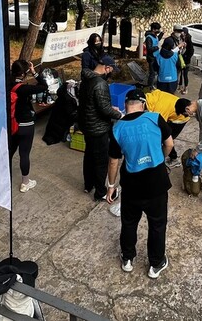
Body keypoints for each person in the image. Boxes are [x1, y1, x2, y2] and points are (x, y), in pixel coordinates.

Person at [106, 88, 174, 279]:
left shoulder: (117, 128)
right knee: (157, 224)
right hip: (157, 183)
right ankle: (156, 263)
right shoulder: (155, 118)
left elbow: (113, 161)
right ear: (143, 104)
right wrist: (160, 158)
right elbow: (169, 144)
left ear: (126, 106)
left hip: (132, 186)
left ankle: (127, 259)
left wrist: (111, 186)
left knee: (129, 223)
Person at [79, 55, 123, 200]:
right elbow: (104, 109)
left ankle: (88, 185)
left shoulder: (86, 78)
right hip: (98, 128)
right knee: (101, 161)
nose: (110, 73)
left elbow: (94, 102)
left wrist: (110, 107)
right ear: (107, 68)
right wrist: (120, 115)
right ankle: (100, 192)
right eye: (111, 70)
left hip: (87, 124)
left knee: (89, 155)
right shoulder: (100, 83)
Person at [9, 59, 49, 192]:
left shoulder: (7, 83)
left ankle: (4, 178)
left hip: (12, 123)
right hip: (25, 124)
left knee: (10, 151)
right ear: (24, 73)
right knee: (24, 154)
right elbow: (44, 86)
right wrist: (34, 73)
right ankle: (25, 183)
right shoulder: (24, 89)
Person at [145, 89, 189, 168]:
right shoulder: (150, 96)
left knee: (166, 138)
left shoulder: (159, 110)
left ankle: (174, 159)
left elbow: (160, 127)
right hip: (173, 109)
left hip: (180, 119)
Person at [176, 25, 194, 94]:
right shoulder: (181, 40)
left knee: (185, 74)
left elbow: (191, 51)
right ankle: (180, 86)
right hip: (181, 59)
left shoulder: (189, 42)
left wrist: (186, 57)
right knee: (180, 74)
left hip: (186, 61)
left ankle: (186, 88)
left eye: (183, 33)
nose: (182, 35)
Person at [144, 22, 162, 88]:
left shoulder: (155, 36)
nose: (159, 31)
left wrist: (162, 33)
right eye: (157, 29)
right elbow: (149, 48)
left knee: (157, 72)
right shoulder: (149, 38)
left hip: (156, 57)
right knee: (152, 73)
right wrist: (157, 47)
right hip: (151, 58)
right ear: (153, 29)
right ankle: (150, 87)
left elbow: (157, 40)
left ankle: (154, 84)